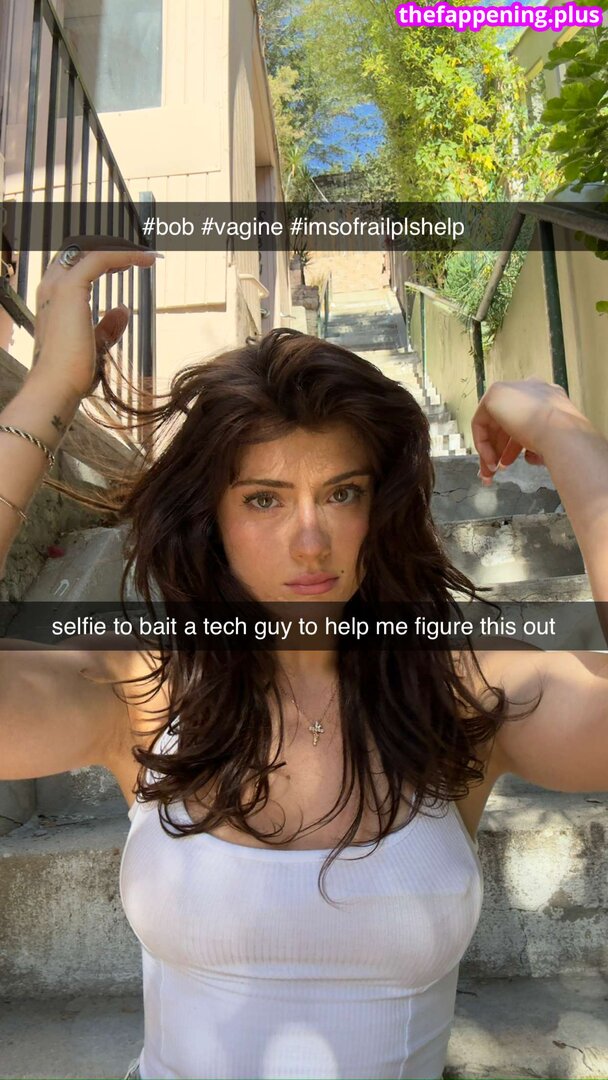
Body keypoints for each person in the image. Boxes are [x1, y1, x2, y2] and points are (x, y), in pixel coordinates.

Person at [1, 238, 607, 1080]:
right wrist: (49, 389)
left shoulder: (458, 686)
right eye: (264, 499)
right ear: (210, 519)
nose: (311, 540)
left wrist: (563, 431)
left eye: (342, 493)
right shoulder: (142, 685)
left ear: (379, 510)